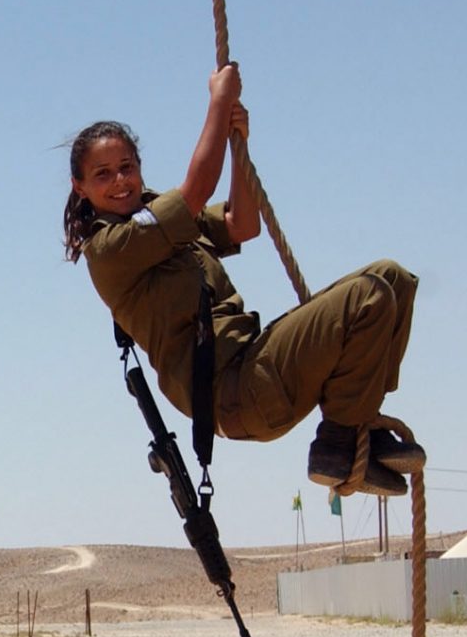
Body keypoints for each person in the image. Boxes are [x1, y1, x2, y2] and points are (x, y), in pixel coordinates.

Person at [65, 65, 422, 498]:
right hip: (234, 392)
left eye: (126, 167)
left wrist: (238, 146)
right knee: (368, 297)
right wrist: (218, 102)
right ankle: (339, 443)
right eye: (102, 174)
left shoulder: (157, 215)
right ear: (80, 188)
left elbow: (240, 224)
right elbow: (195, 192)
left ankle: (356, 422)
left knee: (393, 279)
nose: (120, 181)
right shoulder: (109, 248)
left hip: (253, 366)